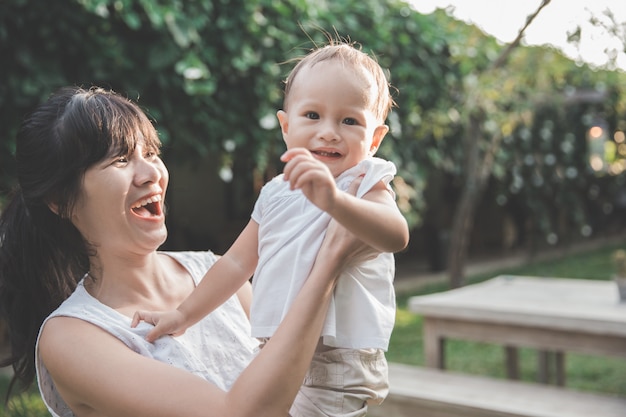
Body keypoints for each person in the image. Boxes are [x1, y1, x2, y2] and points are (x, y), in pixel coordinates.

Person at [0, 85, 376, 417]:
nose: (150, 173)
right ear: (60, 201)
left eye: (150, 152)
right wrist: (328, 263)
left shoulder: (213, 273)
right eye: (119, 159)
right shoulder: (72, 337)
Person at [133, 41, 410, 416]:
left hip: (337, 359)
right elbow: (235, 264)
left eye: (350, 121)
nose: (328, 132)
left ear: (375, 139)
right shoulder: (277, 192)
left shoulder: (362, 181)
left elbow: (396, 234)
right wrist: (183, 315)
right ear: (286, 125)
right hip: (276, 349)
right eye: (312, 115)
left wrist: (335, 201)